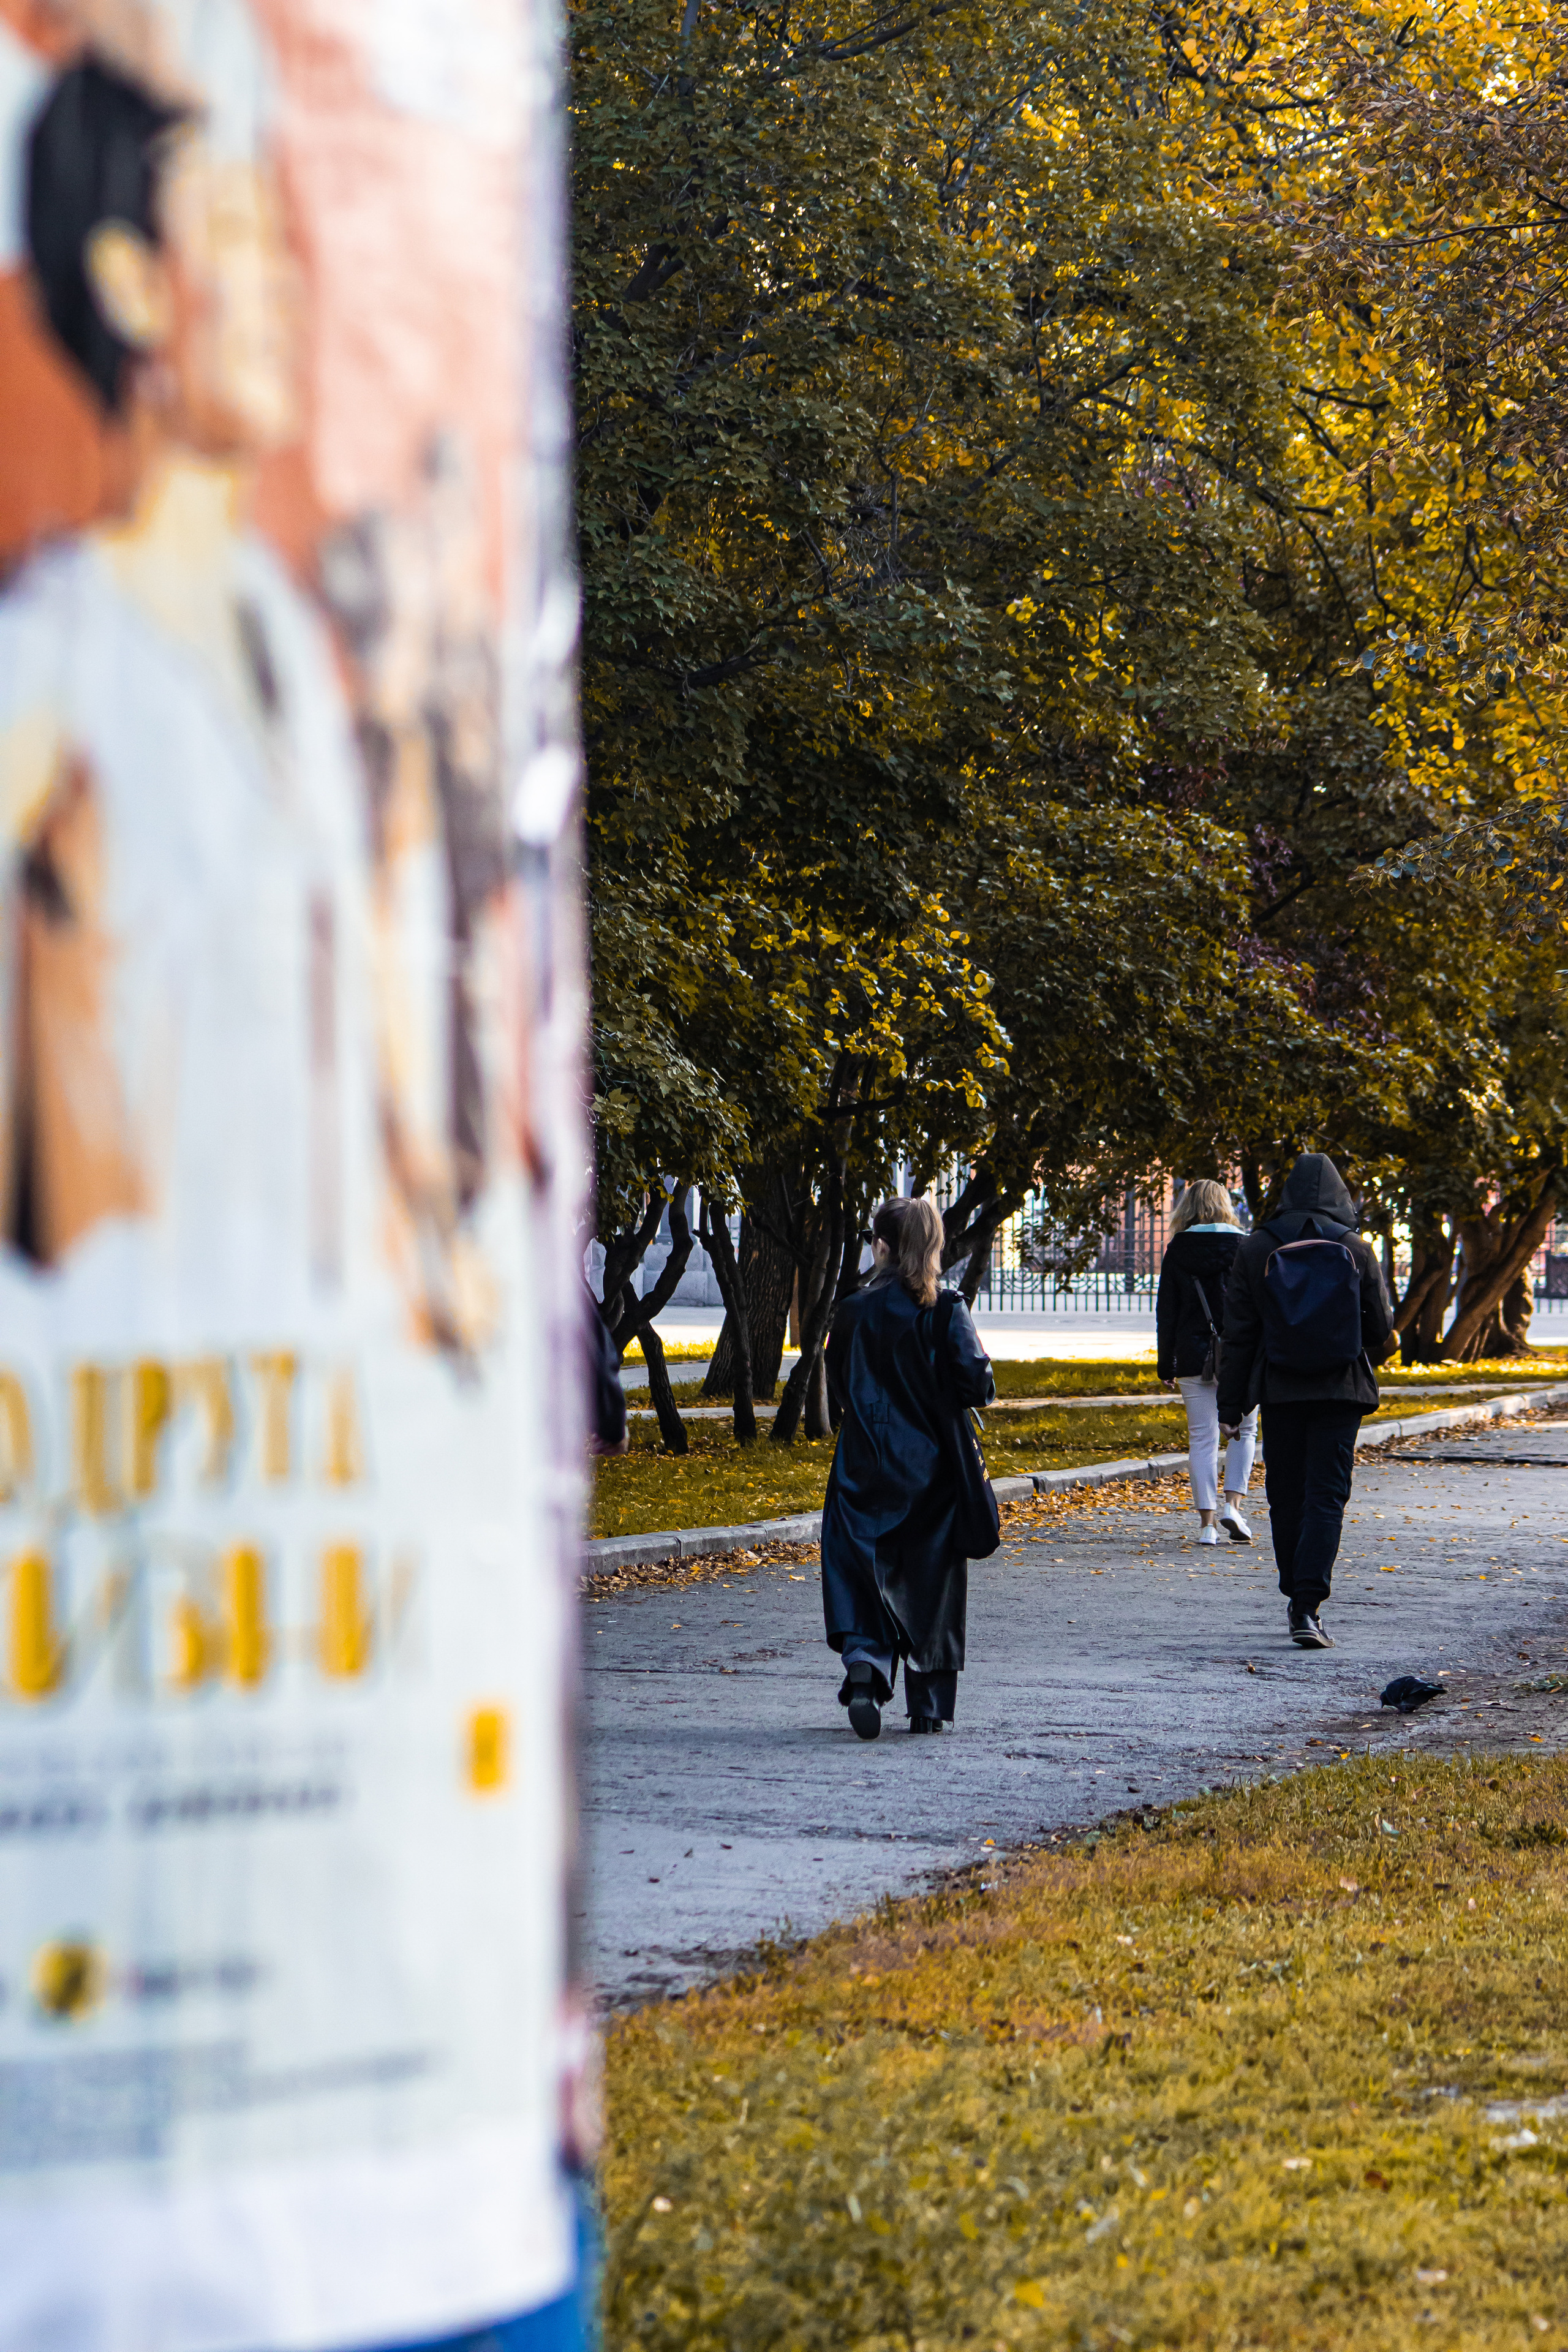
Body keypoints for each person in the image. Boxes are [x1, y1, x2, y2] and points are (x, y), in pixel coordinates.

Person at [820, 1194, 995, 1738]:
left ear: (881, 1247)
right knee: (932, 1582)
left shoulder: (851, 1310)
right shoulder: (947, 1309)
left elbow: (840, 1384)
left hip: (862, 1463)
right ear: (936, 1246)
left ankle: (867, 1669)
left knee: (859, 1568)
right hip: (932, 1471)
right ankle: (930, 1706)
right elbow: (978, 1385)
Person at [1217, 1152, 1396, 1648]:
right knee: (1327, 1497)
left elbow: (1239, 1335)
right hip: (1341, 1390)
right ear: (1341, 1195)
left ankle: (1293, 1590)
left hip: (1282, 1389)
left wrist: (1230, 1408)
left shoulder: (1257, 1248)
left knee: (1287, 1494)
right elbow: (1380, 1330)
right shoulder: (1356, 1248)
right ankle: (1308, 1605)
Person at [1156, 1178, 1257, 1545]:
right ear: (1225, 1205)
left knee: (1202, 1439)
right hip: (1239, 1354)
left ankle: (1207, 1526)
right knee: (1244, 1431)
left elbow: (1166, 1312)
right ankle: (1233, 1505)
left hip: (1192, 1354)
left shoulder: (1178, 1250)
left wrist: (1165, 1363)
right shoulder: (1245, 1246)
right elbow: (1255, 1307)